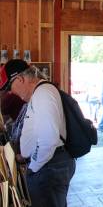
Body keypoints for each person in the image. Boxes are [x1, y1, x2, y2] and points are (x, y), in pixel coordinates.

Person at [0, 59, 75, 206]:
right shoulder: (40, 93)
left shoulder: (43, 93)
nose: (10, 92)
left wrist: (33, 166)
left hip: (48, 167)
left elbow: (48, 139)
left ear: (20, 79)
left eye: (10, 86)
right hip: (49, 165)